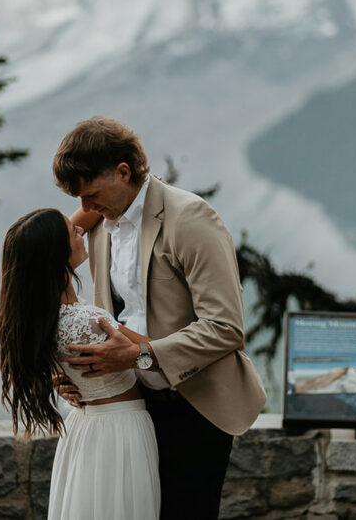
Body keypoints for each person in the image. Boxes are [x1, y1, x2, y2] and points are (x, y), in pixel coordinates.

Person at [52, 116, 267, 520]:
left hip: (196, 408)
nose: (84, 208)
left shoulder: (191, 218)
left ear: (123, 171)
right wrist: (68, 375)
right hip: (133, 412)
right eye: (79, 199)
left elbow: (226, 328)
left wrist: (138, 357)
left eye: (92, 194)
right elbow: (38, 253)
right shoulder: (97, 220)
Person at [0, 208, 160, 519]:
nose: (81, 232)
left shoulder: (45, 318)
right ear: (56, 253)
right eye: (73, 232)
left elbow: (79, 218)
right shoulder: (86, 320)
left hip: (87, 427)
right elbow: (161, 352)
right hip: (120, 432)